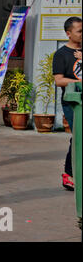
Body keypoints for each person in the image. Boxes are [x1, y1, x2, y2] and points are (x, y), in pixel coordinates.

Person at [52, 16, 82, 191]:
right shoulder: (61, 54)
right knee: (78, 136)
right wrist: (78, 82)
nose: (81, 34)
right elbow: (58, 80)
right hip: (72, 103)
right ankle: (69, 174)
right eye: (79, 31)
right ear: (68, 33)